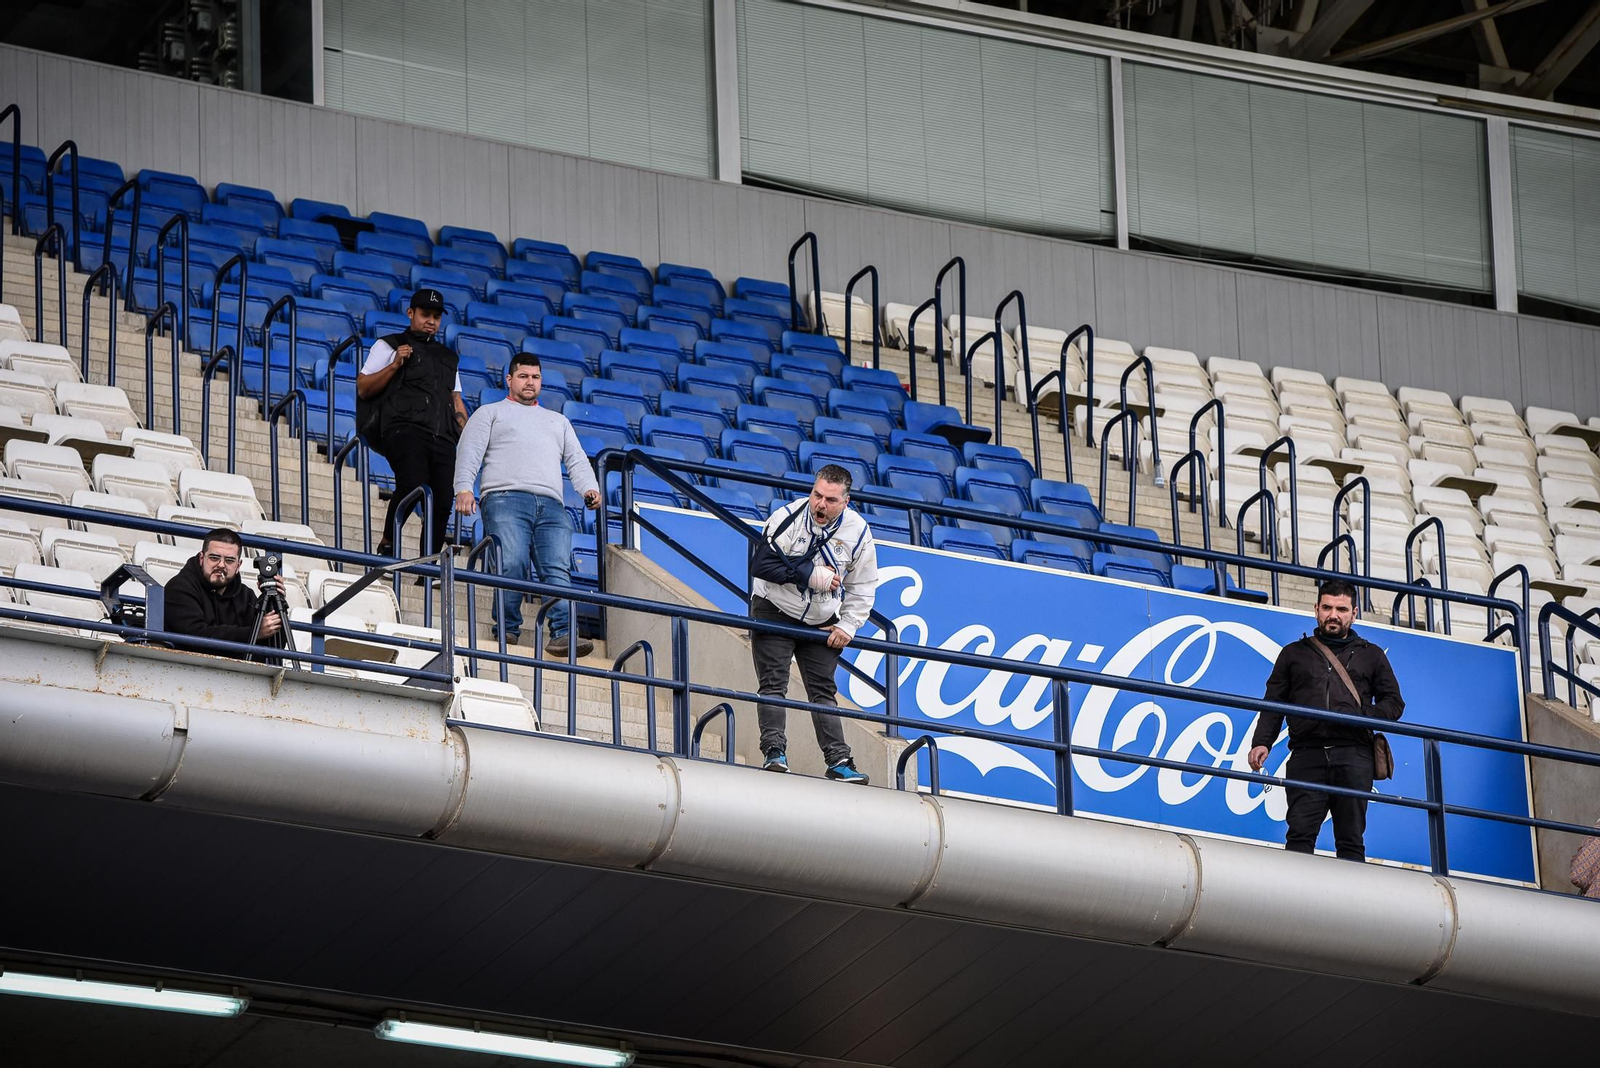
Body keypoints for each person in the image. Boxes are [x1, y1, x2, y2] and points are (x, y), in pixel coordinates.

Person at [453, 352, 601, 658]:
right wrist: (464, 488)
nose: (529, 382)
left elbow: (576, 459)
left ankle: (562, 634)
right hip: (505, 498)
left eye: (535, 377)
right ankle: (507, 629)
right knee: (512, 563)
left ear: (541, 381)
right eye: (523, 376)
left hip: (551, 505)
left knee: (557, 569)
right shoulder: (490, 412)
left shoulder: (557, 420)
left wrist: (589, 488)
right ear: (509, 380)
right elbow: (469, 451)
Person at [1248, 579, 1405, 862]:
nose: (1334, 614)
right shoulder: (1293, 654)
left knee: (1351, 841)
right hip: (1307, 754)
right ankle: (1296, 905)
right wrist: (1261, 743)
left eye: (1341, 609)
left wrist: (1357, 717)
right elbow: (1273, 704)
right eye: (1327, 607)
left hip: (1355, 755)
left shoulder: (1373, 655)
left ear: (1354, 613)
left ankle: (1352, 906)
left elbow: (1394, 705)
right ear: (1316, 610)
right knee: (1299, 836)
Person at [750, 465, 880, 784]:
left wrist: (848, 625)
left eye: (830, 499)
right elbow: (761, 564)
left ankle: (839, 761)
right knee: (773, 684)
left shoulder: (859, 531)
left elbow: (864, 584)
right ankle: (774, 754)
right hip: (774, 609)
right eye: (817, 495)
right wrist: (807, 575)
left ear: (846, 502)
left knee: (823, 690)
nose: (820, 505)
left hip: (822, 621)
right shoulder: (788, 516)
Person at [357, 287, 469, 559]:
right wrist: (395, 365)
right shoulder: (389, 344)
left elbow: (456, 401)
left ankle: (428, 566)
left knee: (442, 501)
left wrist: (468, 435)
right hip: (403, 428)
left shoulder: (447, 357)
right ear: (411, 313)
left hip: (443, 435)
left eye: (436, 316)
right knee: (413, 483)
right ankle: (388, 541)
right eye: (425, 314)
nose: (431, 320)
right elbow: (363, 387)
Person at [163, 528, 283, 654]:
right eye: (214, 558)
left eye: (229, 560)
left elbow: (275, 646)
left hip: (237, 671)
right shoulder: (180, 587)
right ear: (201, 558)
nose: (221, 565)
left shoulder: (246, 596)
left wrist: (274, 602)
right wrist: (254, 632)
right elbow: (194, 638)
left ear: (238, 565)